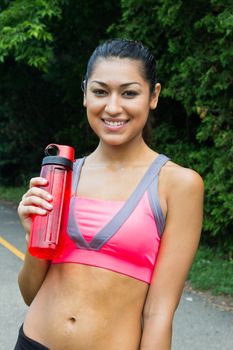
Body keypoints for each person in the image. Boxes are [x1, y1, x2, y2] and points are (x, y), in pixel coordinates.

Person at [15, 39, 204, 350]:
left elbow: (159, 313)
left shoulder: (178, 184)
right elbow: (30, 293)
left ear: (153, 96)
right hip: (33, 342)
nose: (113, 107)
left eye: (129, 93)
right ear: (85, 93)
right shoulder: (62, 176)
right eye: (100, 91)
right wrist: (32, 236)